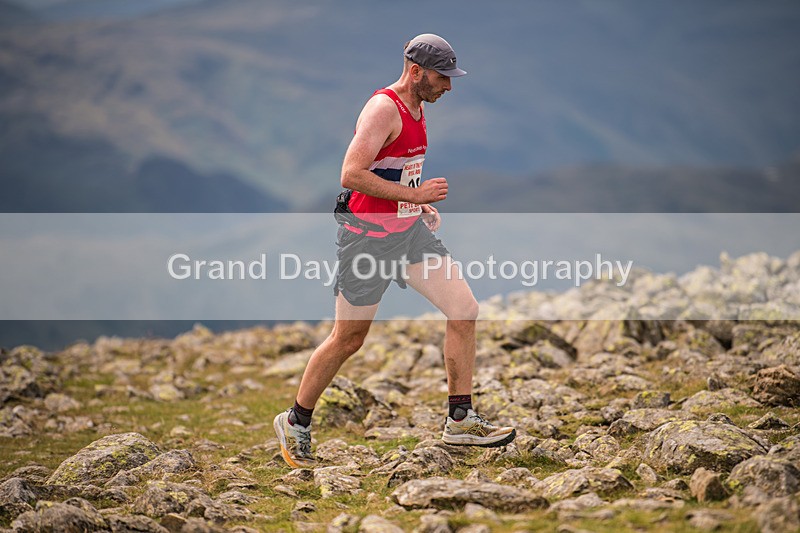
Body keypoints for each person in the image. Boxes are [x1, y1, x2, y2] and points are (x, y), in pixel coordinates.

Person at [273, 33, 516, 468]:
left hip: (408, 234)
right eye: (443, 77)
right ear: (416, 71)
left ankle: (460, 419)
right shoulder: (384, 108)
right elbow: (351, 174)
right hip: (366, 238)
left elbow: (396, 171)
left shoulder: (419, 108)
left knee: (464, 310)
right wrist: (417, 195)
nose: (449, 86)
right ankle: (296, 421)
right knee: (349, 339)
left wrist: (414, 205)